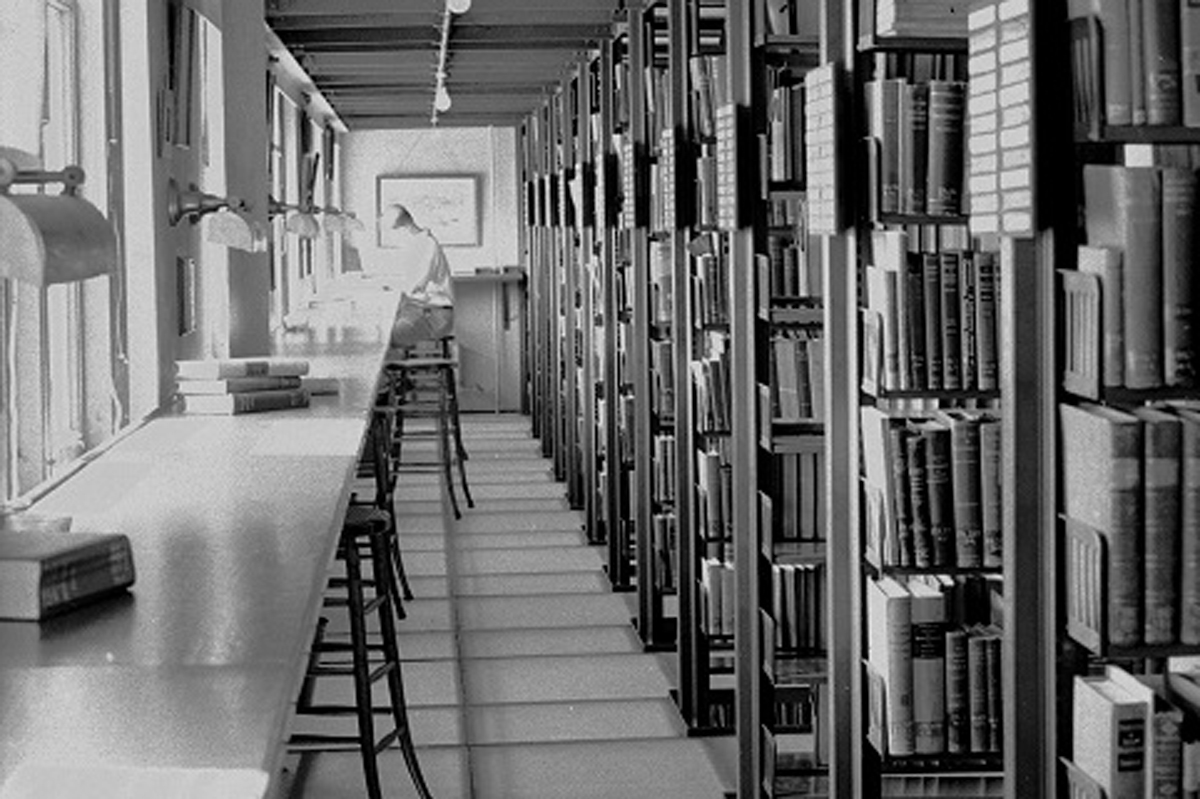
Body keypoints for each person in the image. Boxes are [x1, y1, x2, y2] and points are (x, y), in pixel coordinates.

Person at [381, 202, 454, 353]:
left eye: (393, 230)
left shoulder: (426, 245)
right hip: (421, 308)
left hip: (435, 314)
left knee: (385, 338)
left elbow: (414, 285)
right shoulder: (416, 244)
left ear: (404, 227)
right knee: (380, 331)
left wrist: (386, 287)